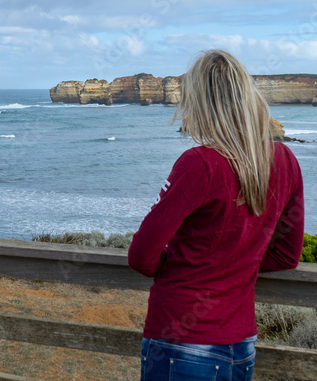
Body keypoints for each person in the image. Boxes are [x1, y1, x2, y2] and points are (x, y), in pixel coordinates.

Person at [128, 50, 304, 381]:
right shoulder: (285, 160)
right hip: (241, 346)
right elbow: (286, 254)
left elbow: (141, 255)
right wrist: (236, 263)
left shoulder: (200, 164)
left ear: (201, 103)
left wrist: (189, 263)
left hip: (181, 342)